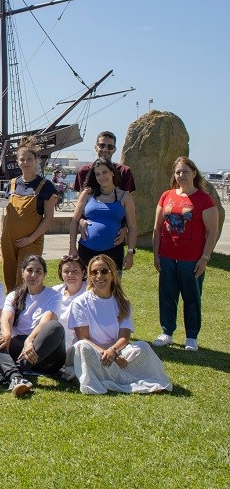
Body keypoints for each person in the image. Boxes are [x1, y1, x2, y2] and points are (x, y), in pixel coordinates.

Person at [69, 255, 172, 394]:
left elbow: (124, 337)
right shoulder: (80, 302)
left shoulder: (123, 303)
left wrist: (113, 351)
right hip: (93, 350)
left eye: (104, 271)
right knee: (83, 348)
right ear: (90, 277)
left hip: (116, 350)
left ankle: (106, 375)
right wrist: (107, 354)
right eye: (94, 272)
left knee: (142, 347)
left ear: (113, 275)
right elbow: (83, 338)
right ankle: (99, 377)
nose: (99, 276)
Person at [152, 157, 219, 351]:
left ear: (194, 173)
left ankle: (191, 336)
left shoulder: (204, 199)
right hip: (167, 256)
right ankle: (167, 332)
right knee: (167, 294)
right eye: (178, 172)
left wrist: (205, 258)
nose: (181, 175)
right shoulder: (166, 196)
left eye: (185, 172)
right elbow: (157, 228)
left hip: (191, 259)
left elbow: (212, 231)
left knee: (192, 296)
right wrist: (156, 254)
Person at [0, 255, 65, 397]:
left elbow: (46, 321)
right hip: (20, 351)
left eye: (38, 271)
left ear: (44, 274)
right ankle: (15, 377)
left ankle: (14, 372)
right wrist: (6, 334)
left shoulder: (53, 295)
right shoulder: (14, 295)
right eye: (30, 270)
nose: (33, 275)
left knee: (55, 327)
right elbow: (6, 318)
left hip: (46, 354)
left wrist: (29, 341)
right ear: (22, 273)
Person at [0, 137, 57, 290]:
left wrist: (30, 238)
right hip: (8, 241)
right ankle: (12, 310)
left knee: (26, 278)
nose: (25, 163)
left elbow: (49, 218)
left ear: (36, 160)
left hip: (32, 240)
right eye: (22, 159)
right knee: (9, 276)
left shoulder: (46, 186)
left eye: (29, 159)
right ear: (17, 162)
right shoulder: (11, 184)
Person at [69, 158, 137, 270]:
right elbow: (75, 221)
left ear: (112, 172)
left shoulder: (125, 197)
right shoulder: (87, 194)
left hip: (113, 251)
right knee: (86, 286)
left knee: (112, 286)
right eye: (97, 174)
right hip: (86, 250)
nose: (102, 177)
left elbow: (132, 226)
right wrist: (72, 247)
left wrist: (130, 253)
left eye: (104, 172)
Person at [54, 254, 87, 354]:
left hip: (81, 345)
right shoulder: (54, 292)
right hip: (56, 344)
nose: (70, 275)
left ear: (83, 272)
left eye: (75, 271)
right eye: (66, 271)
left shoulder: (90, 293)